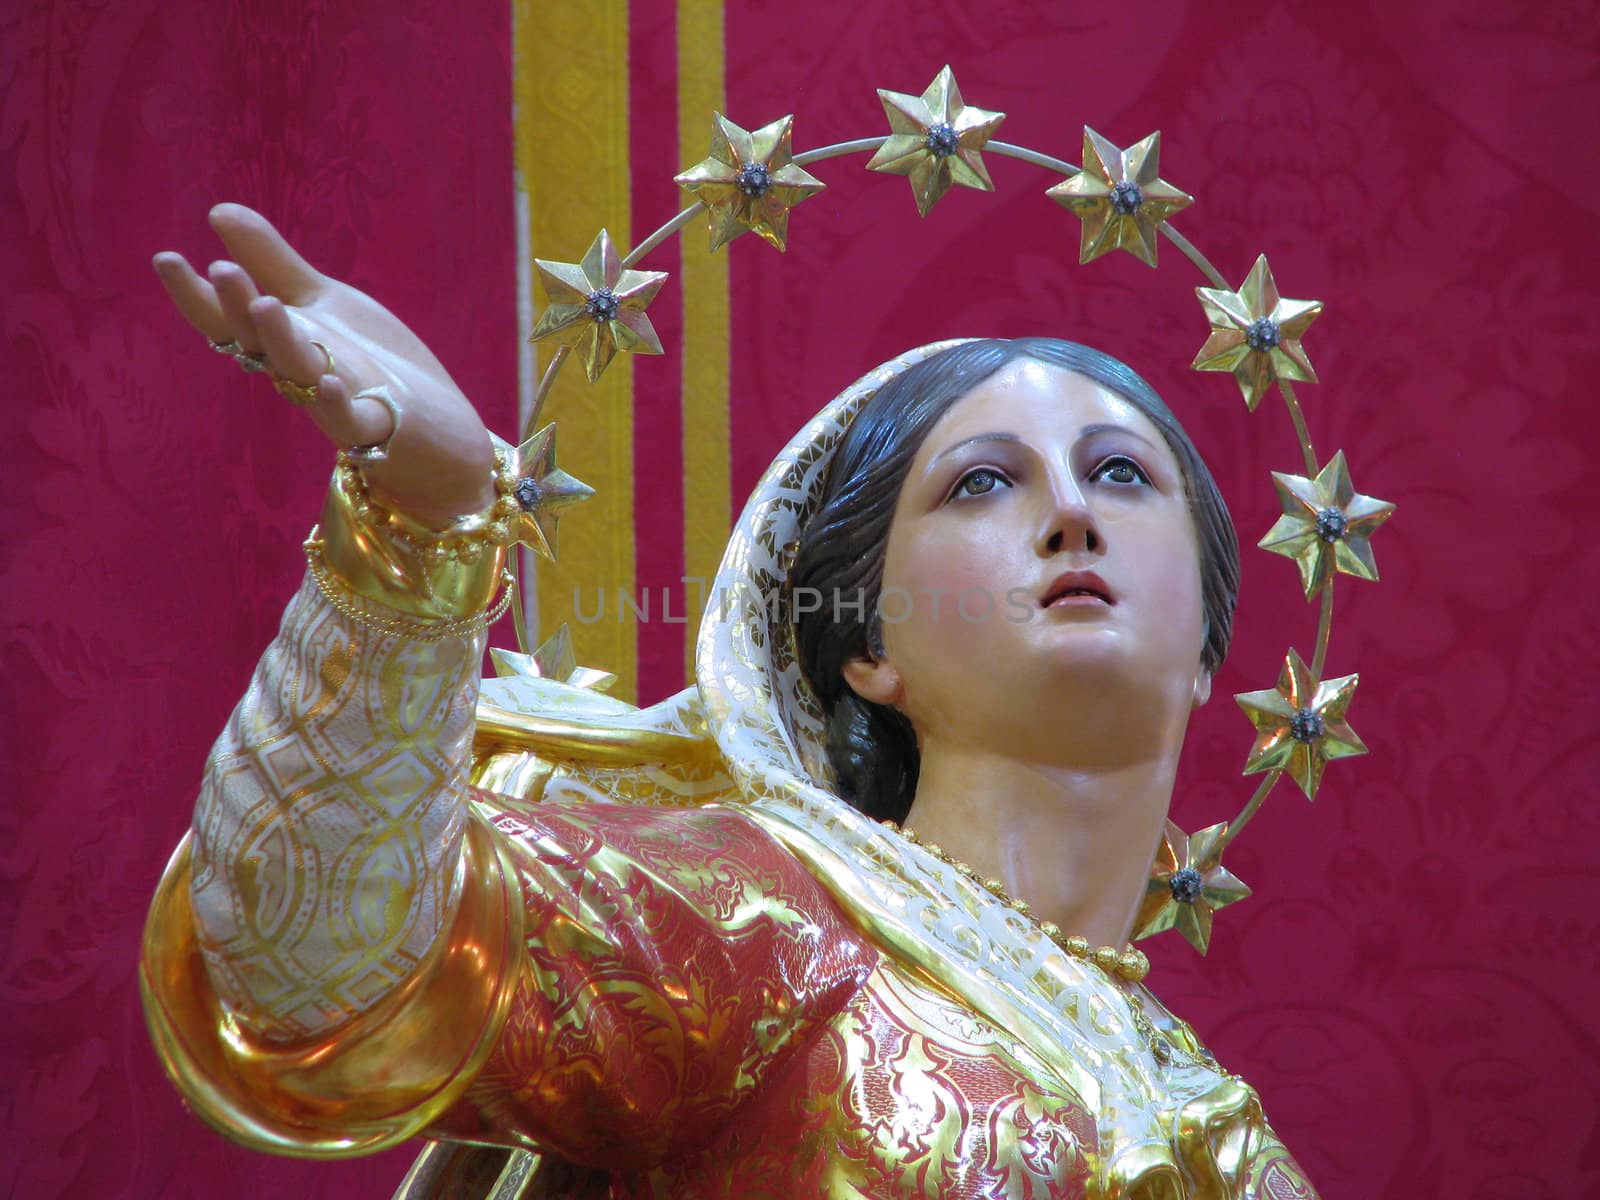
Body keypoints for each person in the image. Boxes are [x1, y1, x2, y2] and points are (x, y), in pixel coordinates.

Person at [140, 204, 1317, 1199]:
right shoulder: (765, 921)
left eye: (1121, 471)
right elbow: (317, 975)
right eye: (981, 482)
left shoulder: (1223, 1121)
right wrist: (419, 533)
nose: (1071, 510)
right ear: (867, 652)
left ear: (1209, 645)